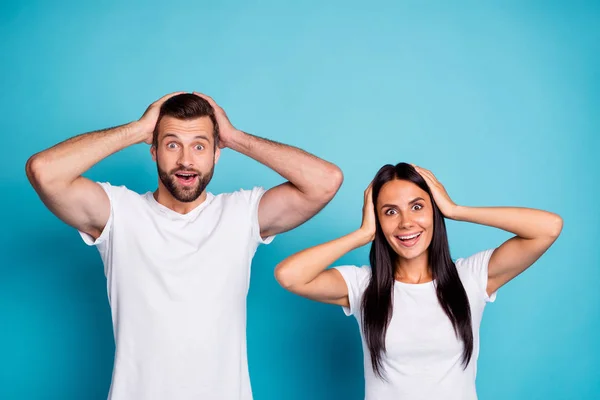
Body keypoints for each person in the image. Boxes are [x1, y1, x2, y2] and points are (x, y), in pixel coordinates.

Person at [25, 92, 343, 400]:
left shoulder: (241, 214)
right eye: (172, 144)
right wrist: (136, 129)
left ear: (217, 152)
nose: (186, 160)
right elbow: (44, 171)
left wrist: (234, 136)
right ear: (153, 150)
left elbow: (325, 181)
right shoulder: (119, 212)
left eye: (200, 146)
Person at [275, 162, 562, 400]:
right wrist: (362, 234)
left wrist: (455, 210)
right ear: (377, 220)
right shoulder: (363, 286)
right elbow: (289, 275)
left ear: (433, 211)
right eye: (390, 211)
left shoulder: (471, 277)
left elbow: (548, 228)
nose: (405, 223)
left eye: (417, 207)